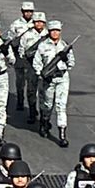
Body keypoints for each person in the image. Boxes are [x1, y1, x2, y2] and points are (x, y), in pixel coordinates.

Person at [33, 20, 75, 148]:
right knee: (47, 104)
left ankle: (62, 135)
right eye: (53, 31)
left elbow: (72, 63)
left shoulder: (65, 46)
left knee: (61, 106)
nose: (55, 33)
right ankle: (44, 122)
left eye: (57, 30)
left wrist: (65, 58)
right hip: (48, 80)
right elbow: (37, 63)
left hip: (62, 78)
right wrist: (41, 74)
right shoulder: (42, 46)